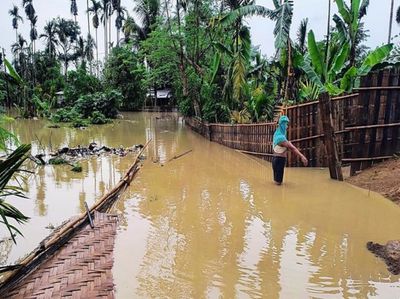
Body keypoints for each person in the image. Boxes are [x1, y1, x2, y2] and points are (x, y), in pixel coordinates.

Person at [272, 115, 308, 185]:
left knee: (276, 182)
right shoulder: (281, 138)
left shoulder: (277, 133)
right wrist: (302, 156)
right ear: (282, 125)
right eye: (286, 125)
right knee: (278, 183)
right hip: (279, 160)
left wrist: (288, 143)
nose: (287, 127)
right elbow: (292, 148)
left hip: (275, 159)